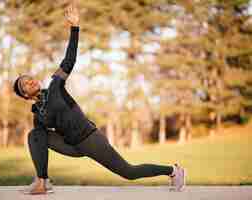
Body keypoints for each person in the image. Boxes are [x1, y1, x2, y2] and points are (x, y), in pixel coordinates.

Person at [13, 2, 185, 195]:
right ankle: (43, 181)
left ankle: (173, 171)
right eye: (25, 84)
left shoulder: (55, 86)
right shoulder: (39, 115)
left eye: (29, 78)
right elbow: (40, 144)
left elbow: (69, 60)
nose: (30, 82)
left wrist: (74, 27)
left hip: (90, 139)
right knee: (35, 135)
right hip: (71, 145)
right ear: (25, 96)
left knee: (129, 172)